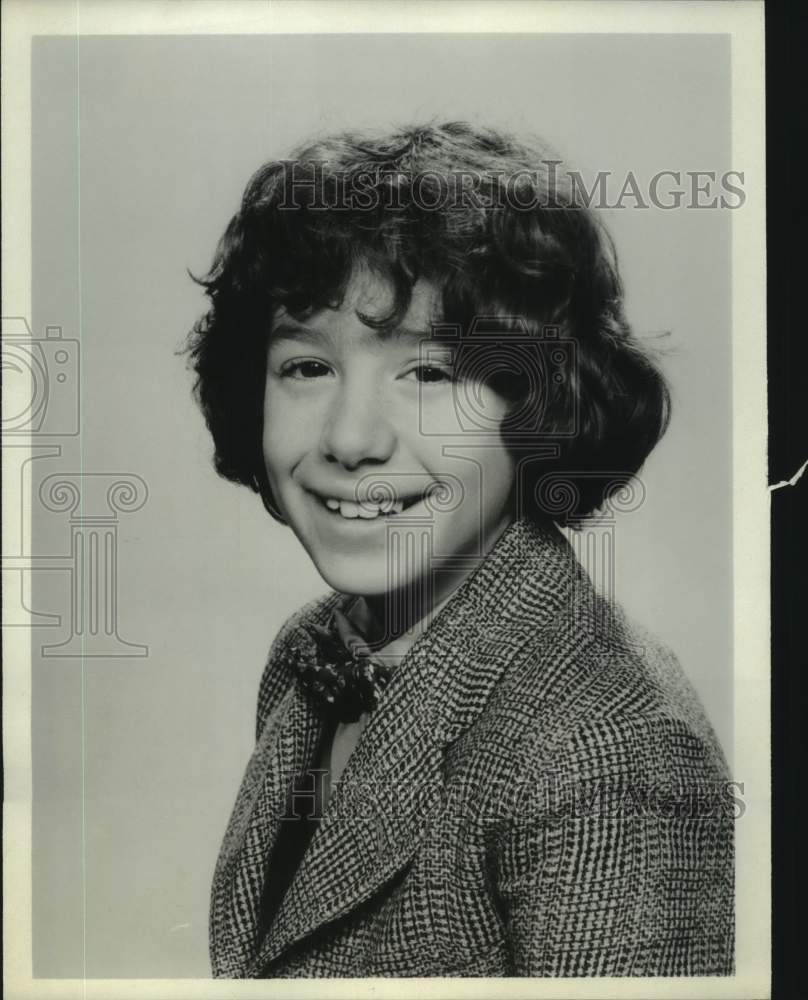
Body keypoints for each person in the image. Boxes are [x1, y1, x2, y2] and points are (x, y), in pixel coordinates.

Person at [186, 122, 734, 978]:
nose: (352, 439)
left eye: (430, 374)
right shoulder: (312, 653)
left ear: (538, 403)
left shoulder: (604, 747)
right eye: (306, 368)